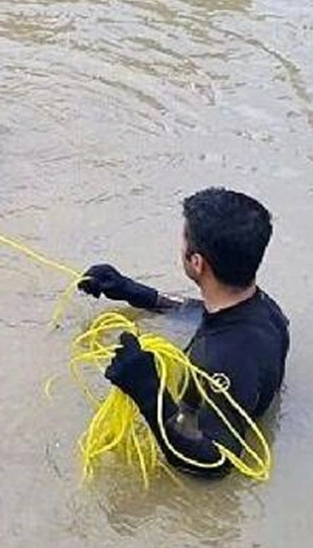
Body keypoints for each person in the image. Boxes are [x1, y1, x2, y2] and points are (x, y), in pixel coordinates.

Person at [79, 187, 289, 478]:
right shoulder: (265, 308)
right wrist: (136, 292)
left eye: (183, 240)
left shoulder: (222, 361)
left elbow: (215, 464)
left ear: (197, 262)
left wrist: (148, 392)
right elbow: (203, 311)